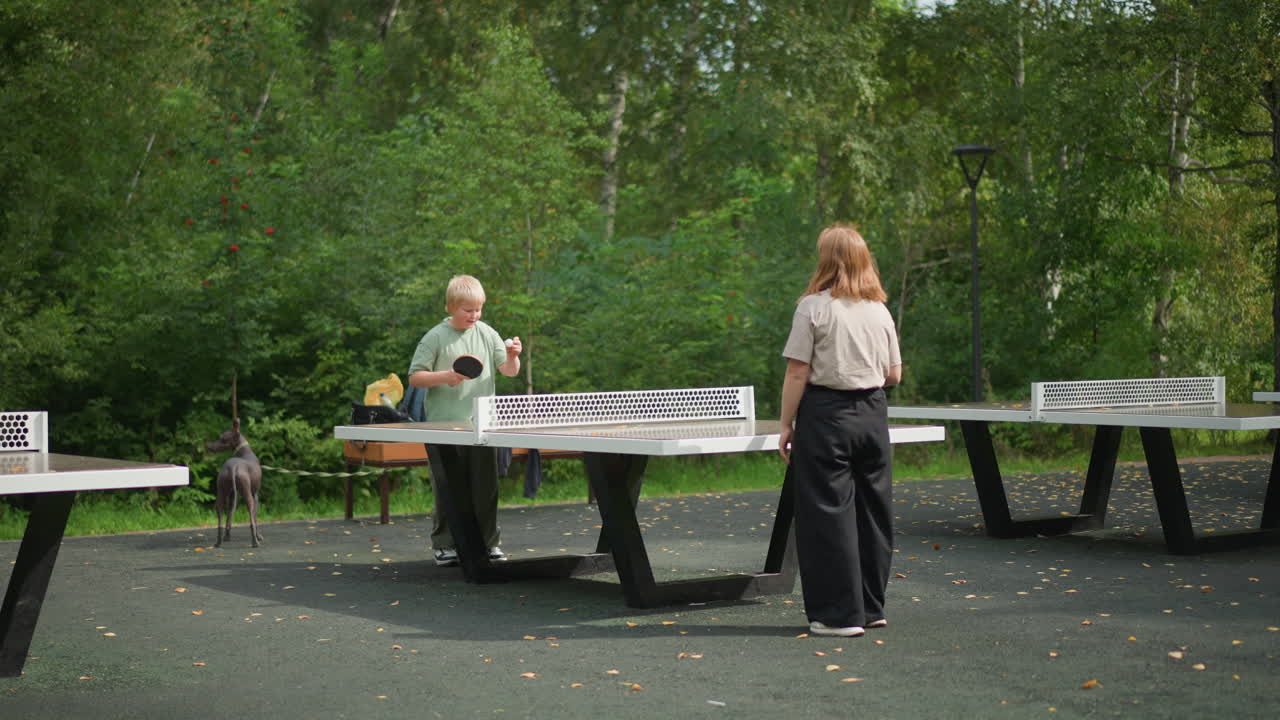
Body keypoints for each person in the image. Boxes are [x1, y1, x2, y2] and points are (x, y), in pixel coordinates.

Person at [778, 224, 902, 638]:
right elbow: (893, 374)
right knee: (872, 512)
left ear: (826, 260)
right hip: (872, 414)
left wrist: (785, 424)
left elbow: (798, 371)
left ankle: (838, 615)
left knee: (828, 514)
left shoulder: (812, 308)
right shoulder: (880, 310)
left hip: (826, 415)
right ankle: (870, 607)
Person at [408, 275, 522, 567]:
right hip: (443, 428)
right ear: (450, 307)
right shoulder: (434, 337)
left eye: (478, 309)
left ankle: (488, 543)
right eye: (467, 310)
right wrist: (447, 377)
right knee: (447, 487)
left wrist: (512, 356)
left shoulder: (487, 333)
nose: (474, 315)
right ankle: (445, 544)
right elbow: (415, 377)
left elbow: (509, 371)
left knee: (485, 488)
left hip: (482, 426)